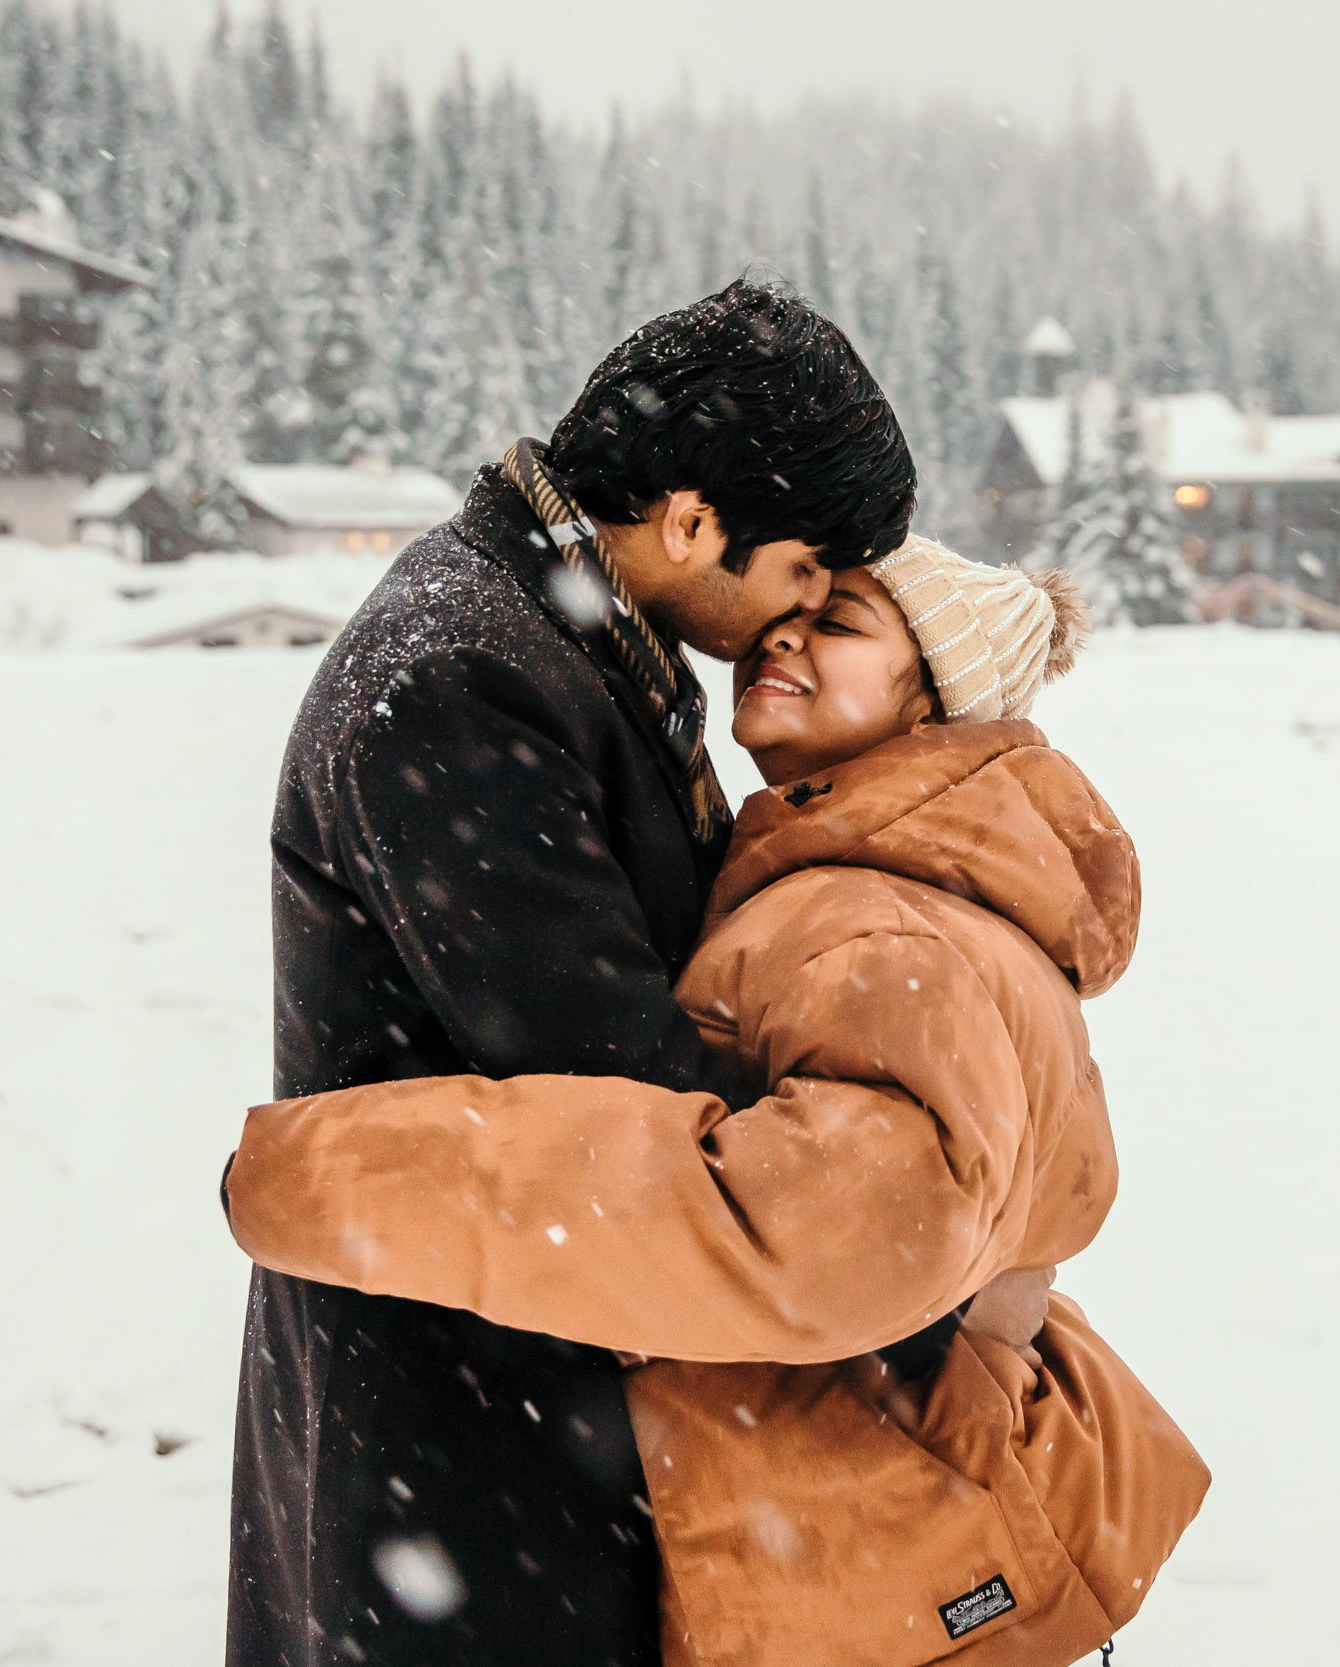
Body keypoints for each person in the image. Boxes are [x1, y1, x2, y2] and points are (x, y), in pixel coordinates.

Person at [228, 540, 1209, 1666]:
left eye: (840, 625)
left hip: (869, 1568)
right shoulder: (888, 886)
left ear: (935, 701)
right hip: (890, 1548)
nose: (781, 635)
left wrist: (351, 1175)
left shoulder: (878, 921)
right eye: (789, 615)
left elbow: (817, 1227)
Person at [228, 278, 917, 1667]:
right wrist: (880, 1211)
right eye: (800, 572)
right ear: (690, 521)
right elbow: (609, 1070)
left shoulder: (573, 637)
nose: (795, 618)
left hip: (534, 1377)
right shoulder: (458, 677)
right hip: (454, 1412)